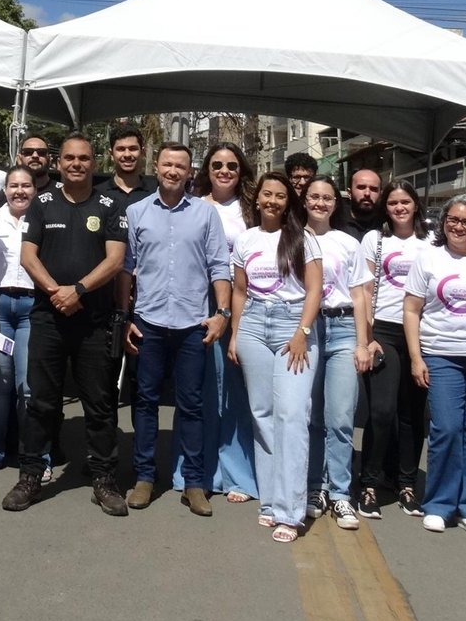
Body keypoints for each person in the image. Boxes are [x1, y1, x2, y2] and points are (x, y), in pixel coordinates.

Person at [2, 133, 127, 515]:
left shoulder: (111, 204)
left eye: (83, 158)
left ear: (94, 161)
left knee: (100, 403)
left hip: (93, 320)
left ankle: (104, 479)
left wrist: (79, 290)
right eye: (69, 158)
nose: (76, 164)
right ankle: (30, 475)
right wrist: (57, 291)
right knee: (41, 401)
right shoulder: (41, 204)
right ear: (60, 163)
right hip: (48, 318)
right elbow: (27, 256)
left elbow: (116, 259)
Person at [123, 143, 233, 517]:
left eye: (181, 166)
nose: (173, 171)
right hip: (149, 322)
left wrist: (222, 313)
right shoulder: (136, 211)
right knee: (146, 401)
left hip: (192, 324)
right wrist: (126, 317)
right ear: (156, 166)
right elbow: (126, 268)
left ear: (190, 172)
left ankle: (194, 483)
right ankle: (144, 477)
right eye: (167, 164)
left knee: (192, 405)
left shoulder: (205, 214)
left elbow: (220, 266)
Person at [230, 171, 324, 541]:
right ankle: (269, 501)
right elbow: (240, 290)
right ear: (257, 199)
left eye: (280, 196)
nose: (272, 201)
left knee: (291, 416)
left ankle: (291, 511)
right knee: (263, 414)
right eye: (266, 194)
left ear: (289, 202)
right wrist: (236, 334)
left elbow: (315, 290)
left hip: (293, 327)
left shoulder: (303, 238)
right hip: (253, 324)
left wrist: (302, 333)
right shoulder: (245, 239)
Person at [404, 195, 466, 537]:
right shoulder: (428, 258)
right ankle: (439, 504)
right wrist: (416, 357)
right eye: (452, 219)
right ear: (443, 223)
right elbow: (411, 310)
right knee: (446, 429)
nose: (458, 226)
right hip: (440, 355)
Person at [180, 141, 257, 503]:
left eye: (231, 165)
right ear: (206, 171)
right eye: (217, 165)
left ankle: (237, 474)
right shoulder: (194, 207)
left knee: (238, 390)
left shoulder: (251, 211)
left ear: (241, 171)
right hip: (202, 303)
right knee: (202, 391)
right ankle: (197, 471)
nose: (224, 171)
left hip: (245, 303)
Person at [303, 176, 375, 529]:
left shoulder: (348, 243)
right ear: (303, 200)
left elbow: (361, 294)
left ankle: (342, 494)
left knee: (341, 417)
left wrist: (363, 343)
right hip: (307, 331)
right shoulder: (291, 239)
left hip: (344, 328)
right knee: (313, 416)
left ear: (336, 203)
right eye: (314, 197)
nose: (320, 203)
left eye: (327, 197)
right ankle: (316, 486)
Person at [358, 181, 430, 519]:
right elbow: (365, 289)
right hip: (384, 328)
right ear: (385, 208)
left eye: (405, 202)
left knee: (413, 414)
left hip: (420, 332)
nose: (399, 208)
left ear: (415, 205)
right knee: (382, 411)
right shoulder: (375, 240)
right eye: (393, 203)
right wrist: (367, 335)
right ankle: (369, 483)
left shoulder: (431, 240)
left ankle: (406, 483)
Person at [0, 165, 40, 478]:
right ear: (5, 189)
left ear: (34, 188)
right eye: (13, 185)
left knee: (28, 386)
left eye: (26, 185)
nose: (19, 191)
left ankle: (36, 456)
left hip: (31, 305)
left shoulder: (42, 218)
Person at [97, 122, 155, 215]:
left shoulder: (155, 193)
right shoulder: (97, 194)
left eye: (133, 149)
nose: (127, 154)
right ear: (111, 154)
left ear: (142, 152)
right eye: (121, 149)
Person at [347, 168, 384, 237]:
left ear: (380, 194)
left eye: (373, 189)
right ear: (349, 193)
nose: (367, 193)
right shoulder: (336, 223)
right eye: (361, 187)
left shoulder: (389, 225)